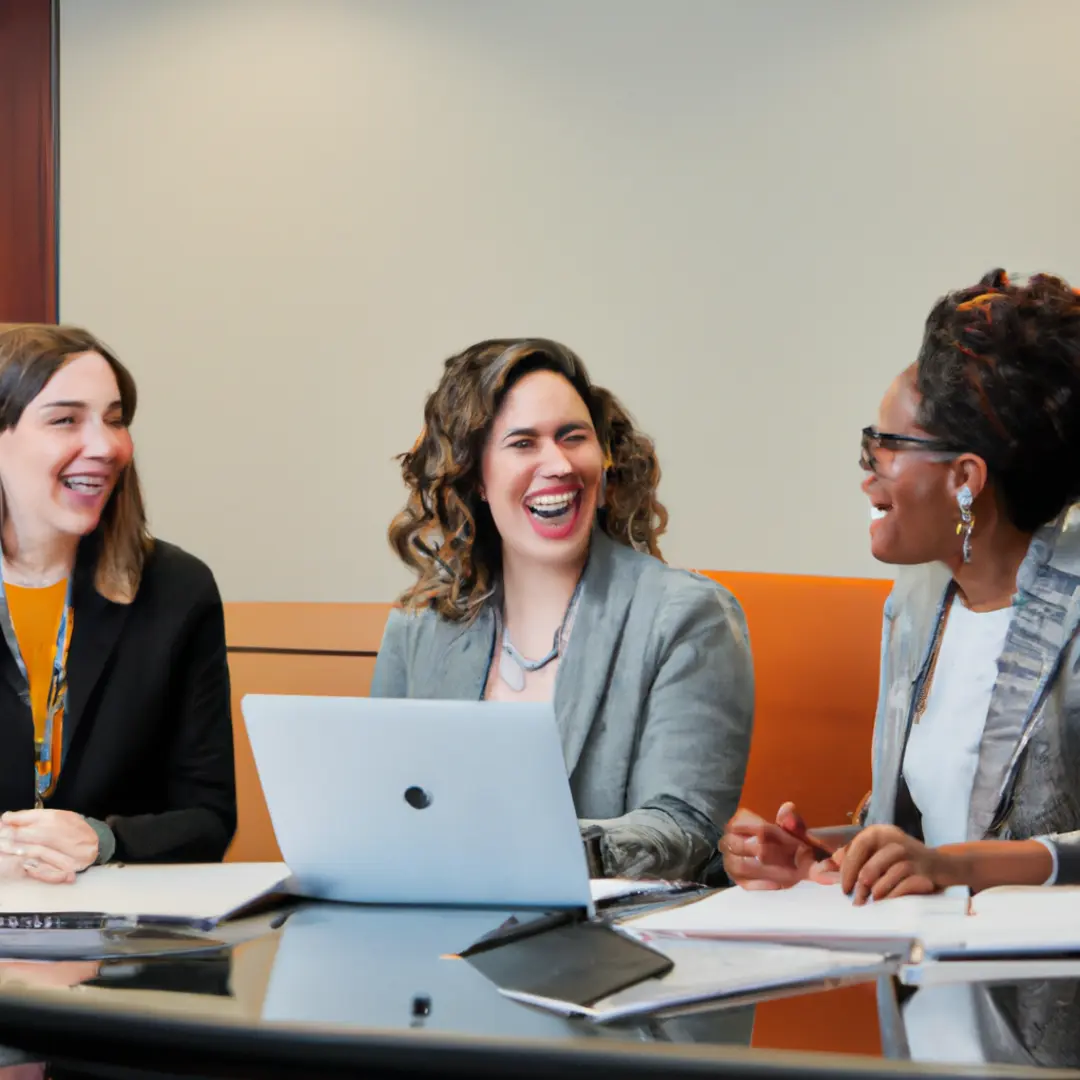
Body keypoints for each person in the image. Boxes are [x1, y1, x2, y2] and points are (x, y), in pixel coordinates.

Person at [719, 270, 1080, 1065]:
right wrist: (827, 850)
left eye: (886, 447)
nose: (868, 471)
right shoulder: (916, 608)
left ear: (965, 480)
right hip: (927, 1029)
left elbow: (959, 856)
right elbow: (922, 838)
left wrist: (954, 867)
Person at [372, 338, 753, 880]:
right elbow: (381, 807)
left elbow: (683, 825)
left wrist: (527, 846)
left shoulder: (689, 616)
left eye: (574, 437)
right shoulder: (418, 624)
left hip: (614, 944)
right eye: (523, 443)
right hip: (435, 932)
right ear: (476, 477)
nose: (558, 464)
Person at [0, 323, 236, 883]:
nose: (107, 447)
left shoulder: (178, 589)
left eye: (114, 419)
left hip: (118, 943)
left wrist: (103, 839)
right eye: (65, 420)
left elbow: (208, 819)